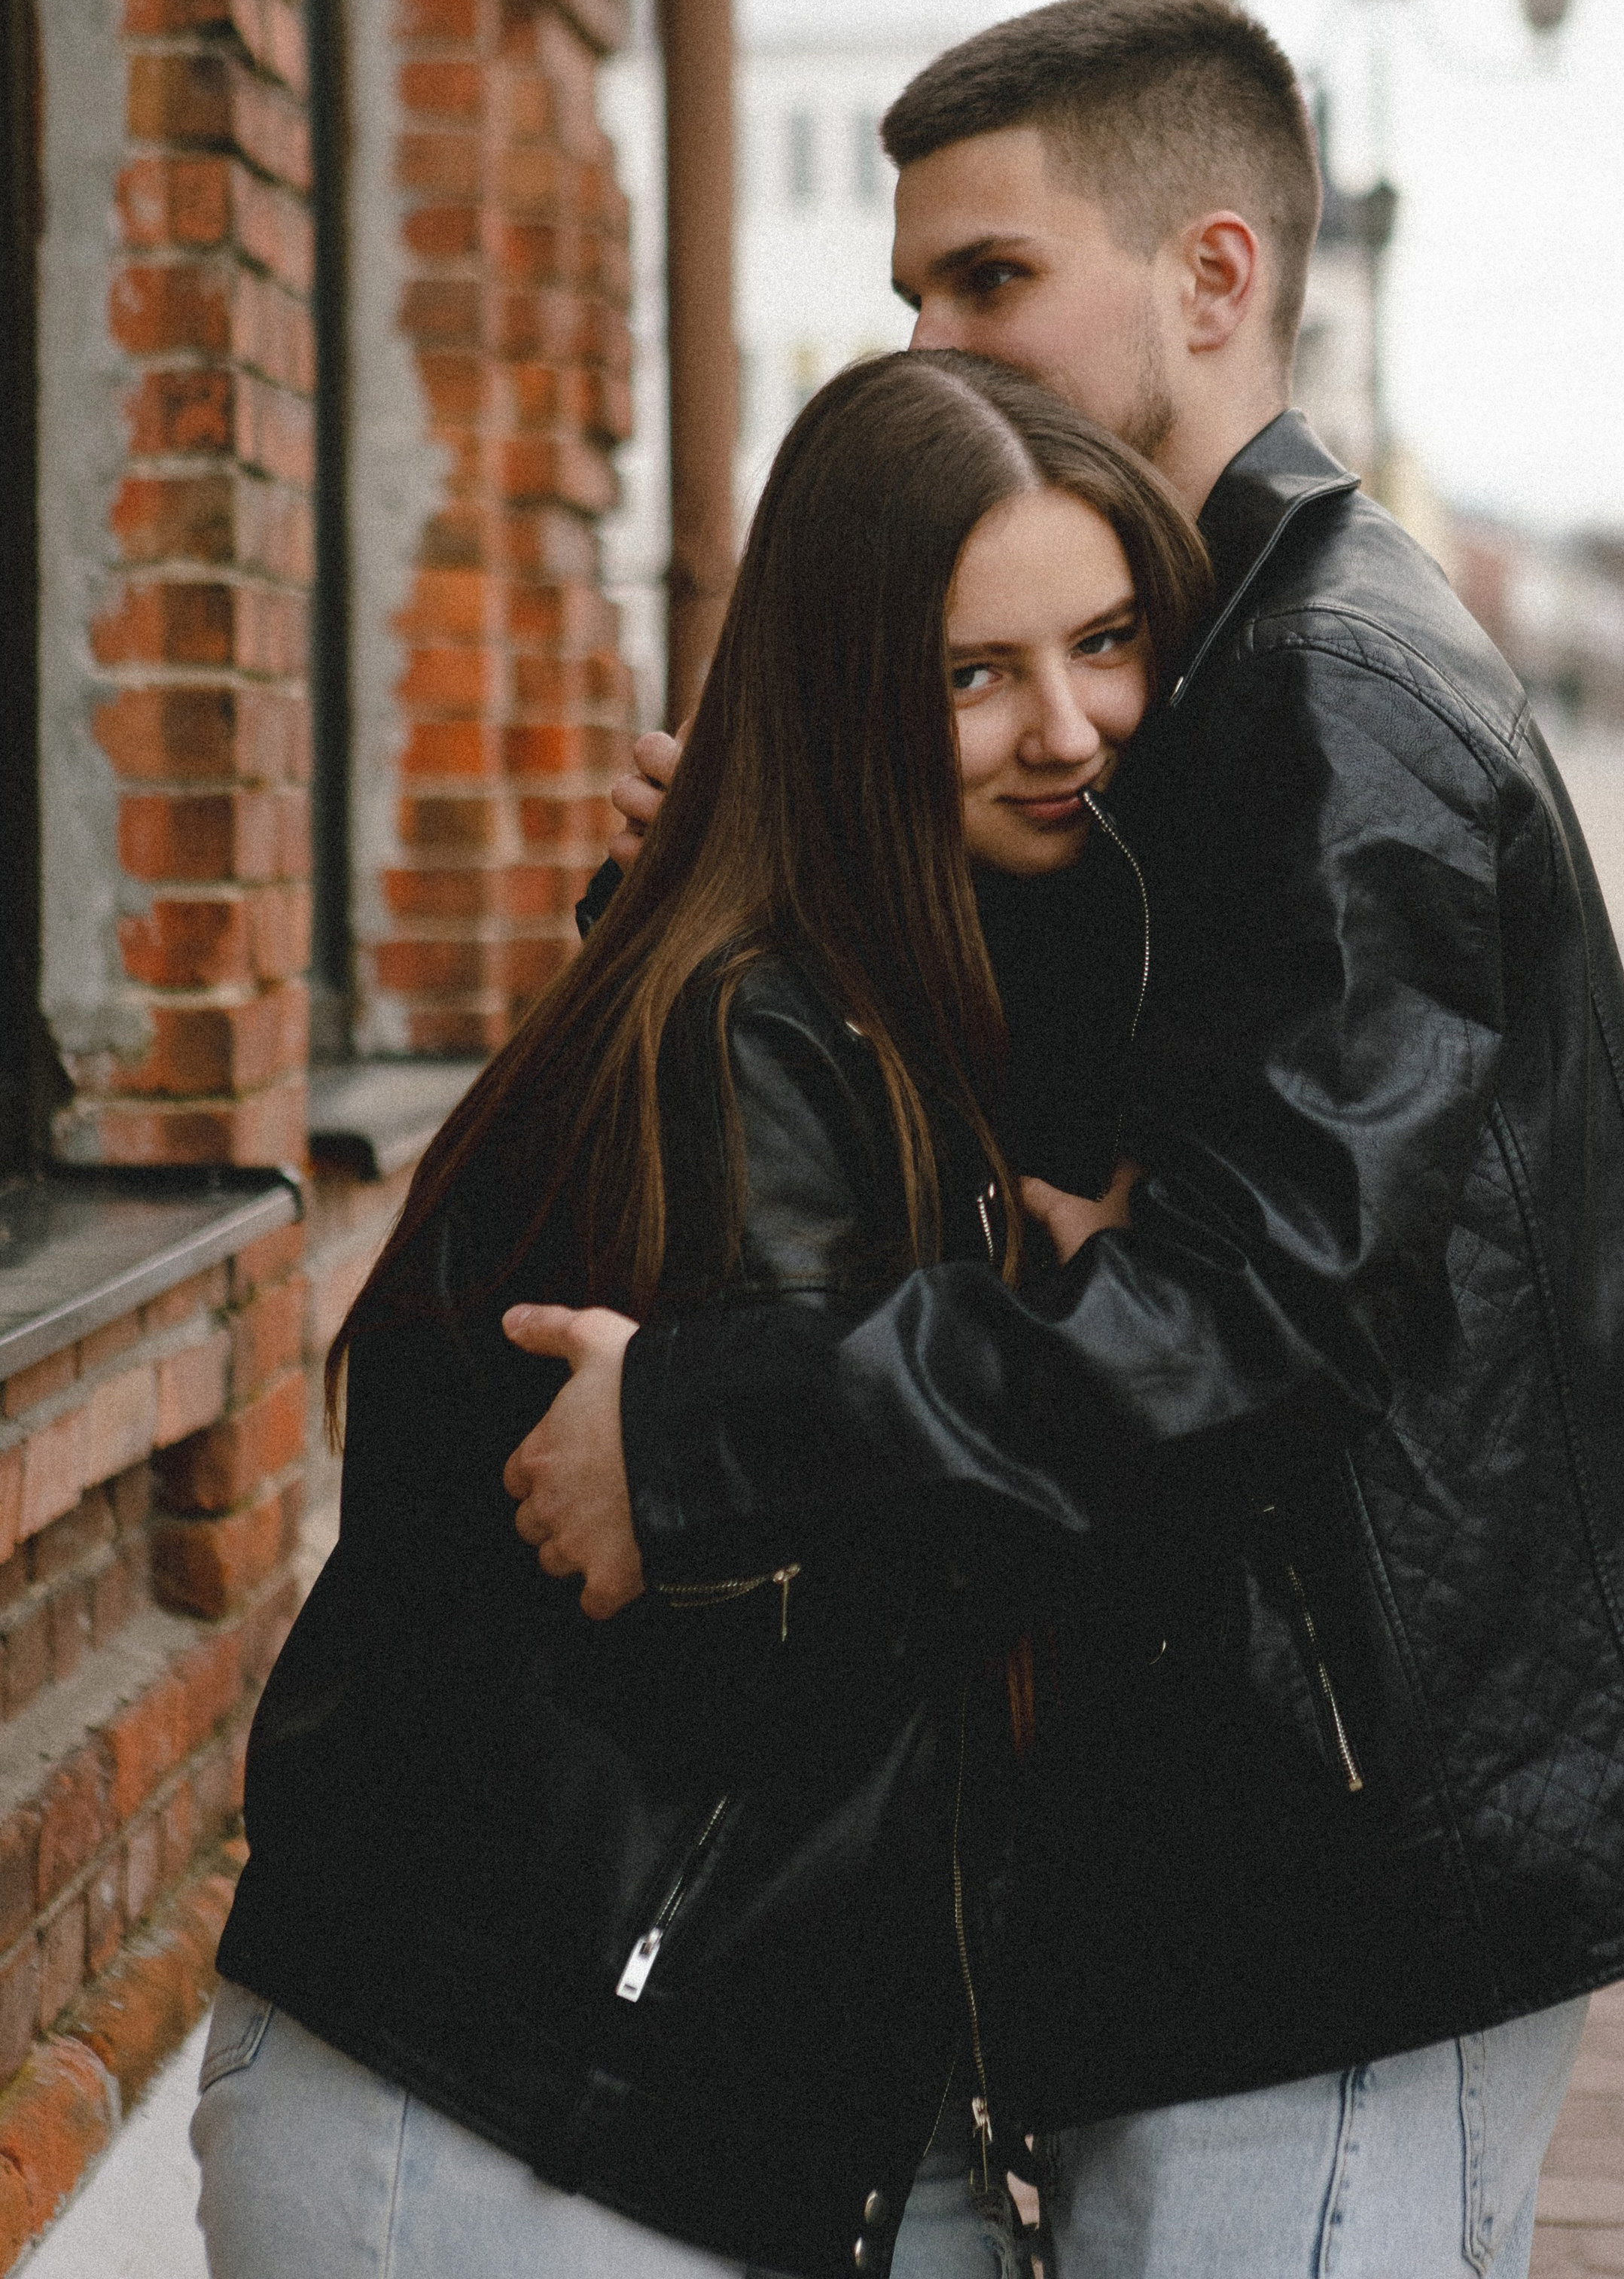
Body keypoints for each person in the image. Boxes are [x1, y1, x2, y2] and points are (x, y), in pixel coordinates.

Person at [515, 0, 1624, 2279]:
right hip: (1286, 1851)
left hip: (1343, 1867)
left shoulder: (1334, 697)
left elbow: (1247, 1303)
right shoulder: (1212, 677)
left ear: (1215, 278)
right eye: (911, 289)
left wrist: (701, 1434)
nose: (931, 339)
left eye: (989, 280)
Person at [192, 348, 1212, 2279]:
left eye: (1104, 642)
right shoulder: (748, 1040)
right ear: (840, 706)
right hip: (511, 2105)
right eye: (971, 676)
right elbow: (878, 1574)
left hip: (697, 2094)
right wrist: (1094, 1299)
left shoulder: (885, 993)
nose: (1069, 727)